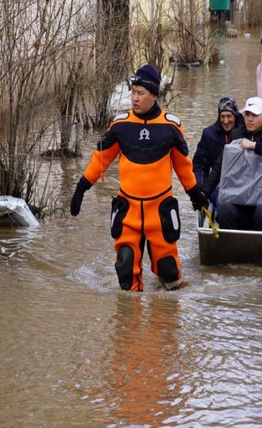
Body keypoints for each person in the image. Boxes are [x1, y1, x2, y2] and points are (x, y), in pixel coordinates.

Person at [69, 64, 208, 292]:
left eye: (140, 93)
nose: (135, 98)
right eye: (133, 92)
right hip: (129, 209)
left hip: (159, 209)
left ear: (154, 95)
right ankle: (128, 324)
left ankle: (163, 322)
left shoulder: (171, 127)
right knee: (125, 268)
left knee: (170, 276)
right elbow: (101, 159)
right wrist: (82, 187)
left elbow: (183, 166)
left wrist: (195, 194)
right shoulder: (121, 125)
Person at [202, 96, 262, 231]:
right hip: (239, 197)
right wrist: (203, 193)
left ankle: (261, 246)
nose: (250, 119)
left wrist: (254, 145)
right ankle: (232, 246)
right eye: (247, 114)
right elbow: (221, 165)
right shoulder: (237, 134)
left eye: (254, 115)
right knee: (223, 210)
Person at [192, 96, 243, 205]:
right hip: (217, 183)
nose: (226, 121)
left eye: (229, 116)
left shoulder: (246, 132)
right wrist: (200, 188)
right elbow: (200, 165)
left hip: (242, 183)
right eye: (222, 116)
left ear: (235, 116)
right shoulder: (209, 135)